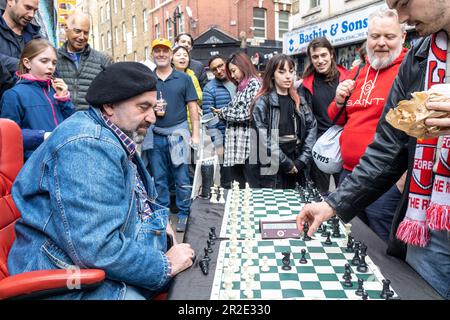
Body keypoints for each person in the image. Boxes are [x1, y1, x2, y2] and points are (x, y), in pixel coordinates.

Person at [297, 0, 450, 299]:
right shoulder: (418, 58)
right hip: (428, 225)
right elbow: (389, 145)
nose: (402, 17)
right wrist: (334, 204)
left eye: (404, 2)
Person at [7, 62, 196, 300]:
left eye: (153, 106)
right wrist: (164, 265)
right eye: (143, 107)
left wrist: (164, 230)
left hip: (85, 262)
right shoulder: (87, 146)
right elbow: (97, 247)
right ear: (109, 105)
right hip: (64, 276)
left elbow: (139, 201)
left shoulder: (112, 131)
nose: (152, 117)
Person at [327, 8, 408, 242]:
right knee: (348, 238)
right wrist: (339, 100)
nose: (381, 43)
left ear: (402, 38)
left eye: (389, 37)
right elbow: (338, 119)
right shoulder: (359, 70)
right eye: (375, 36)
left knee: (381, 249)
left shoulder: (407, 70)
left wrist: (403, 179)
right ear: (367, 39)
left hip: (386, 182)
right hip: (348, 175)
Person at [143, 38, 199, 233]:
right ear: (152, 54)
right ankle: (163, 215)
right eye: (157, 50)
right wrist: (151, 108)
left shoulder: (184, 78)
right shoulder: (147, 78)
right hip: (155, 134)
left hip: (178, 133)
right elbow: (141, 105)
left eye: (165, 50)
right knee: (159, 179)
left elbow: (193, 107)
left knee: (182, 178)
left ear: (171, 54)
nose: (161, 54)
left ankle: (184, 214)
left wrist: (196, 135)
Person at [0, 39, 75, 160]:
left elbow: (73, 125)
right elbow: (7, 136)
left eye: (54, 63)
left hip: (63, 161)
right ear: (27, 63)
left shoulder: (56, 91)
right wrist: (41, 136)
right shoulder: (13, 95)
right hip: (33, 167)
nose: (51, 67)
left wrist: (64, 100)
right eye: (44, 61)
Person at [251, 54, 317, 189]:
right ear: (272, 74)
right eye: (282, 72)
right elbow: (263, 138)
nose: (288, 76)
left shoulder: (299, 100)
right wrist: (286, 162)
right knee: (275, 206)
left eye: (291, 71)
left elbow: (312, 128)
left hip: (298, 162)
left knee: (299, 204)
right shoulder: (262, 102)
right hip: (272, 165)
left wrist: (302, 160)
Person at [299, 37, 349, 193]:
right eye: (315, 57)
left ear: (331, 54)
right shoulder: (306, 85)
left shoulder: (347, 79)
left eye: (323, 55)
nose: (320, 60)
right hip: (318, 145)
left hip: (343, 144)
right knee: (318, 194)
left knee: (345, 195)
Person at [212, 51, 261, 188]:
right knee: (239, 188)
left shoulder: (254, 84)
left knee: (250, 188)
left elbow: (247, 113)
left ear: (243, 66)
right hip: (239, 147)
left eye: (233, 71)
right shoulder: (242, 87)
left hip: (249, 147)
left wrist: (223, 113)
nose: (232, 76)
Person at [57, 11, 112, 110]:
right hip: (62, 119)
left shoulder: (102, 60)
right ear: (66, 29)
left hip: (91, 121)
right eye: (77, 31)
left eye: (86, 33)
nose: (82, 37)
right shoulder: (53, 58)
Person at [202, 55, 236, 188]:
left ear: (226, 64)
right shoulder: (209, 88)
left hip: (243, 137)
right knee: (227, 179)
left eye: (221, 65)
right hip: (224, 139)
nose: (219, 70)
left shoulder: (238, 81)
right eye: (214, 69)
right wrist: (218, 144)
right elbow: (209, 120)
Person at [0, 0, 41, 74]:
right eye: (27, 7)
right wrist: (25, 65)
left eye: (35, 10)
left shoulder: (37, 38)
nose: (31, 15)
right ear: (10, 1)